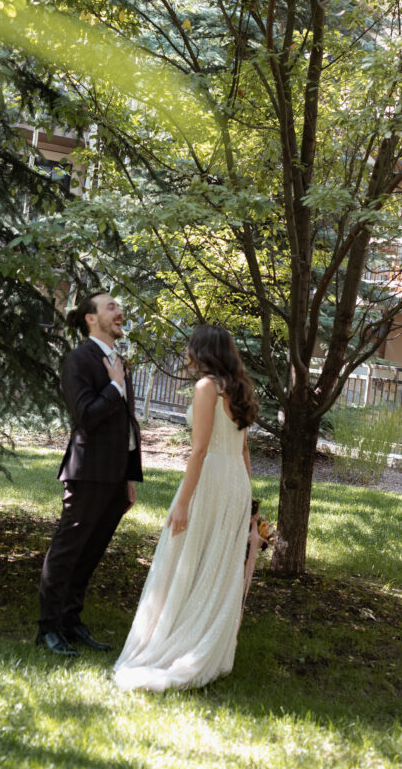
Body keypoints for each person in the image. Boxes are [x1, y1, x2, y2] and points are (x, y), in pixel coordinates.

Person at [113, 324, 258, 691]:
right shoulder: (239, 388)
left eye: (190, 348)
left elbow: (199, 450)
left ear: (203, 351)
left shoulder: (207, 387)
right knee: (216, 560)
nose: (186, 354)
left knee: (188, 554)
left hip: (210, 481)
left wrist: (182, 502)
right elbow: (243, 451)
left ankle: (182, 641)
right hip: (235, 483)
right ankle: (204, 636)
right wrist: (248, 500)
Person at [37, 292, 142, 656]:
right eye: (111, 307)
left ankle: (70, 620)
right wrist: (114, 386)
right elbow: (85, 415)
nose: (119, 311)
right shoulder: (78, 360)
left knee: (91, 552)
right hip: (87, 473)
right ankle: (47, 629)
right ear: (90, 319)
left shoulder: (117, 360)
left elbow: (124, 427)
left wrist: (128, 479)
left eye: (118, 306)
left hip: (115, 478)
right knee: (68, 550)